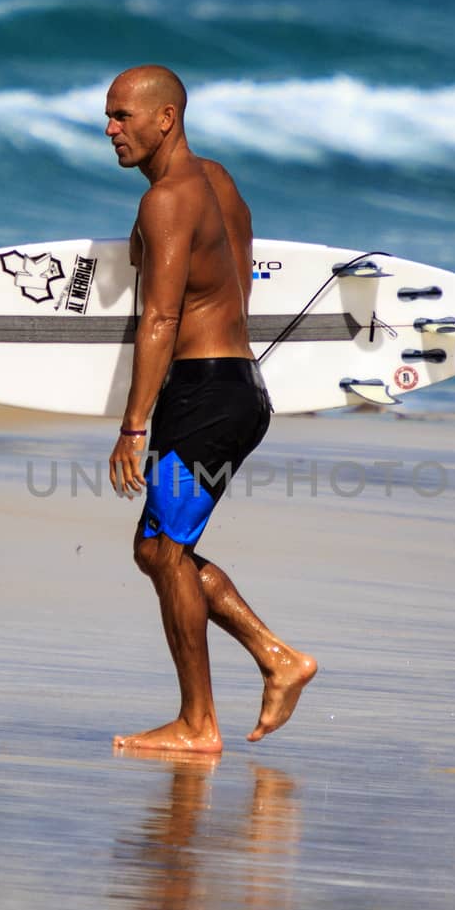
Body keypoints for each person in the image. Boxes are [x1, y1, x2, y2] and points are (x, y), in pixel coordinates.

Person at [103, 65, 317, 754]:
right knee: (157, 549)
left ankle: (199, 723)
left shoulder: (168, 200)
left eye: (122, 117)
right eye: (108, 118)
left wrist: (134, 425)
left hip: (201, 394)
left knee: (165, 550)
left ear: (164, 119)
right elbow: (228, 276)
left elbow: (161, 314)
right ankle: (277, 658)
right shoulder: (216, 182)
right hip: (237, 386)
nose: (110, 130)